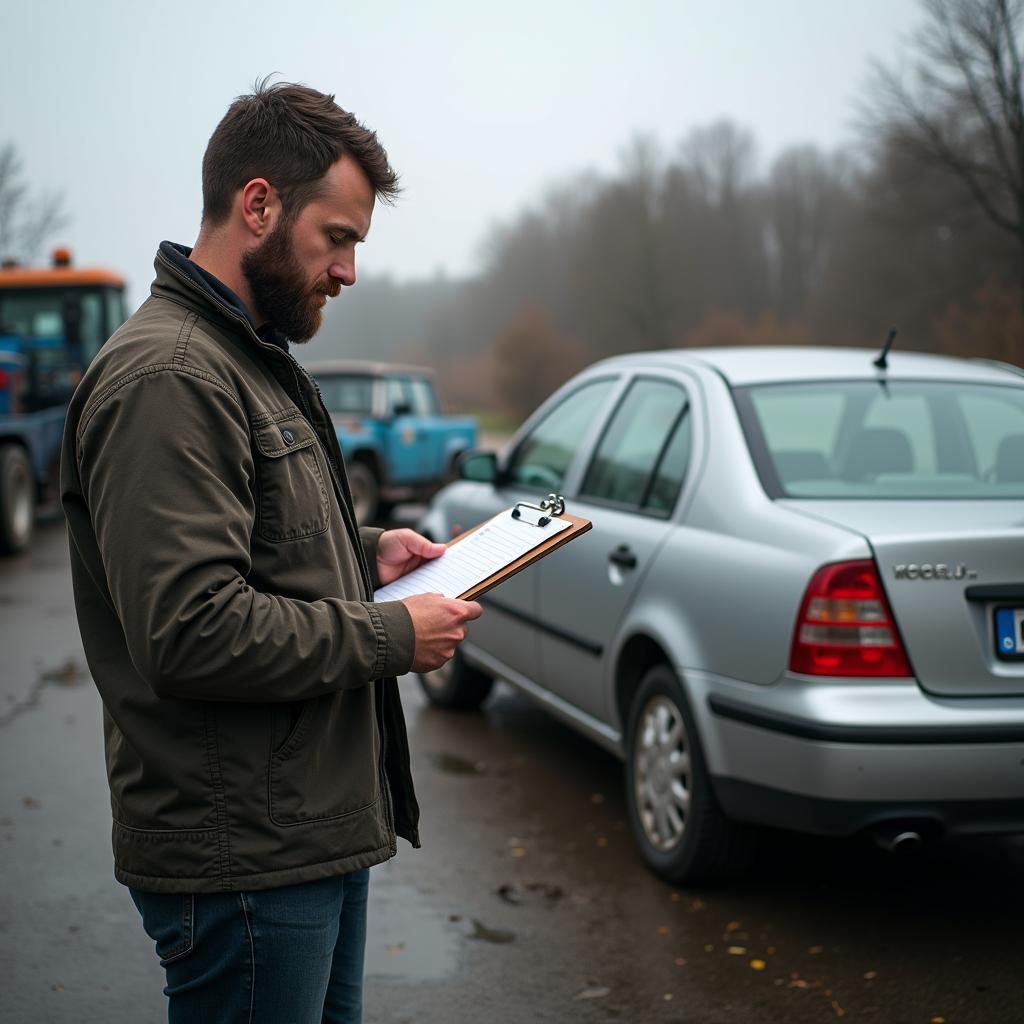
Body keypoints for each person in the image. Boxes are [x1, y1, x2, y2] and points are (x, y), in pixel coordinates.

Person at [59, 80, 482, 1023]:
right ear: (259, 205)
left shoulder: (243, 353)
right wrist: (389, 635)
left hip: (302, 834)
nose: (350, 271)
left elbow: (250, 529)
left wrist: (365, 550)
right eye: (339, 238)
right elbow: (192, 632)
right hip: (244, 860)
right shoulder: (169, 377)